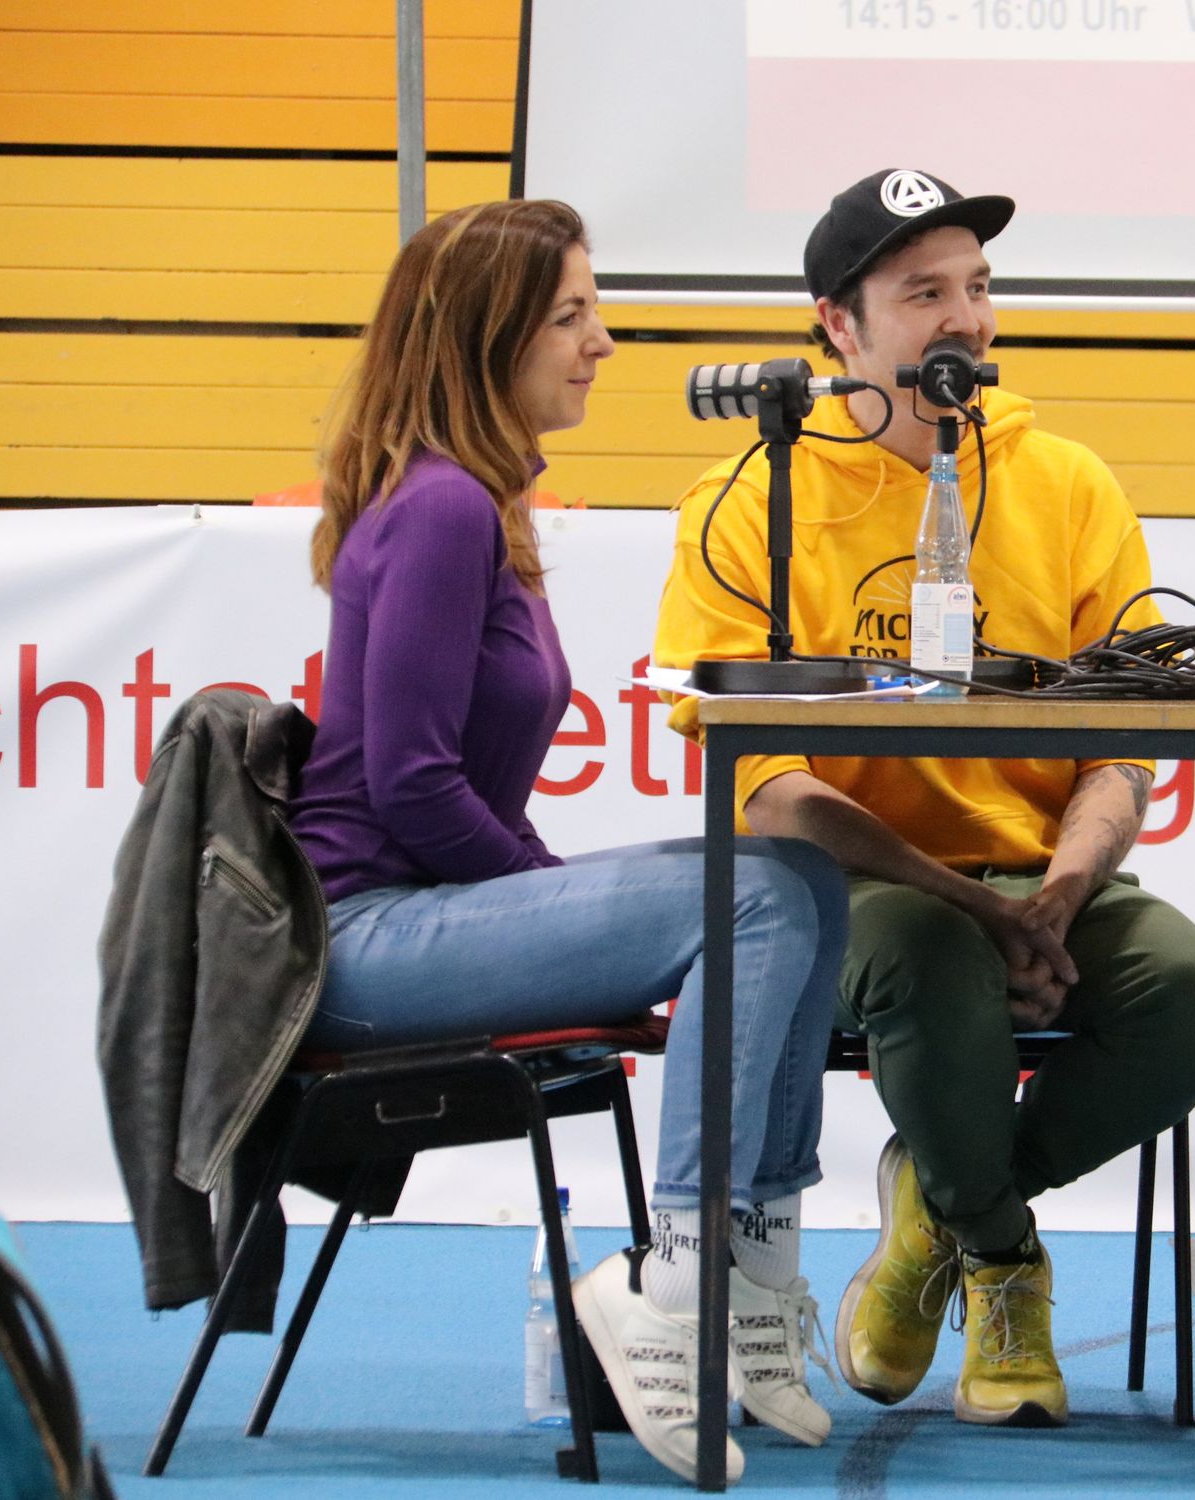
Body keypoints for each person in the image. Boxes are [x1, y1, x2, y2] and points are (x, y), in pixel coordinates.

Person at [654, 169, 1195, 1428]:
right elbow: (768, 789)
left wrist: (1059, 897)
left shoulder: (1068, 484)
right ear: (838, 325)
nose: (966, 319)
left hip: (1042, 880)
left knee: (1194, 997)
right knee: (931, 956)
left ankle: (936, 1208)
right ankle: (1004, 1257)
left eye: (977, 287)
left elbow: (1124, 746)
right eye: (924, 293)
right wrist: (977, 912)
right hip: (852, 894)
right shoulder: (746, 501)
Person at [284, 199, 848, 1485]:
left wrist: (563, 905)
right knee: (756, 898)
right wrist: (563, 905)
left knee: (806, 876)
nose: (602, 342)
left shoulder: (478, 505)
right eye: (571, 316)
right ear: (489, 339)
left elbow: (455, 788)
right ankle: (677, 1286)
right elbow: (413, 789)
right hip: (364, 949)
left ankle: (757, 1275)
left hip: (419, 919)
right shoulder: (440, 509)